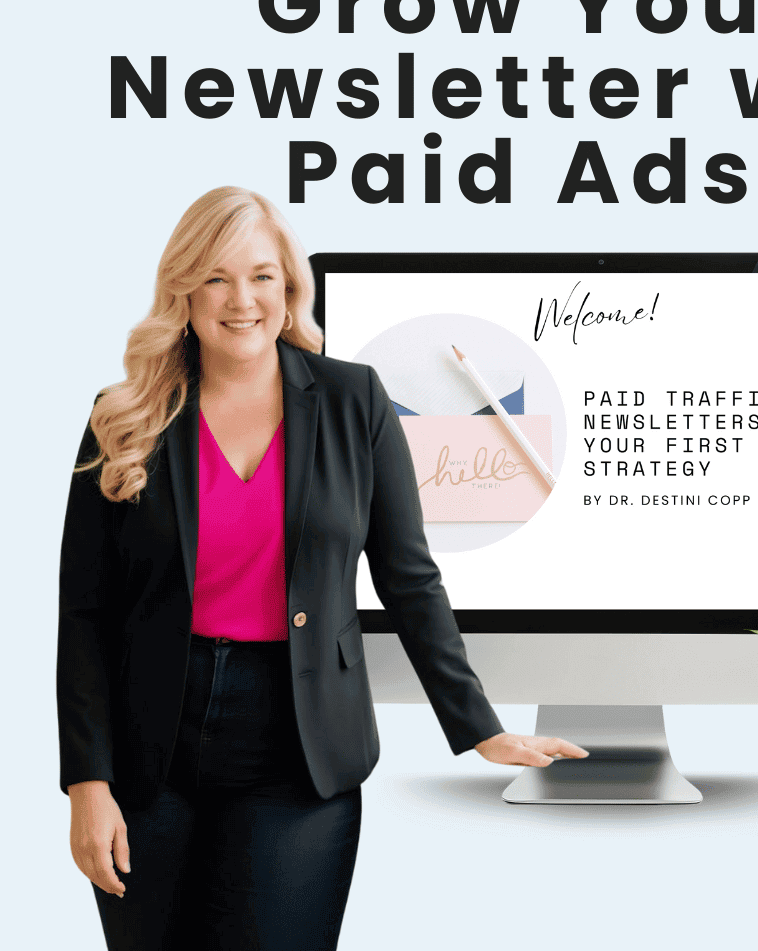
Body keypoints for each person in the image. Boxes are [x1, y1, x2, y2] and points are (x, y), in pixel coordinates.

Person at [58, 186, 587, 951]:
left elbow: (408, 579)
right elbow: (86, 613)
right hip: (147, 753)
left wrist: (479, 727)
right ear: (185, 291)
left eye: (262, 276)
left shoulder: (353, 400)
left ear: (289, 288)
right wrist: (87, 783)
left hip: (298, 749)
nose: (242, 300)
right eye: (216, 278)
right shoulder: (124, 415)